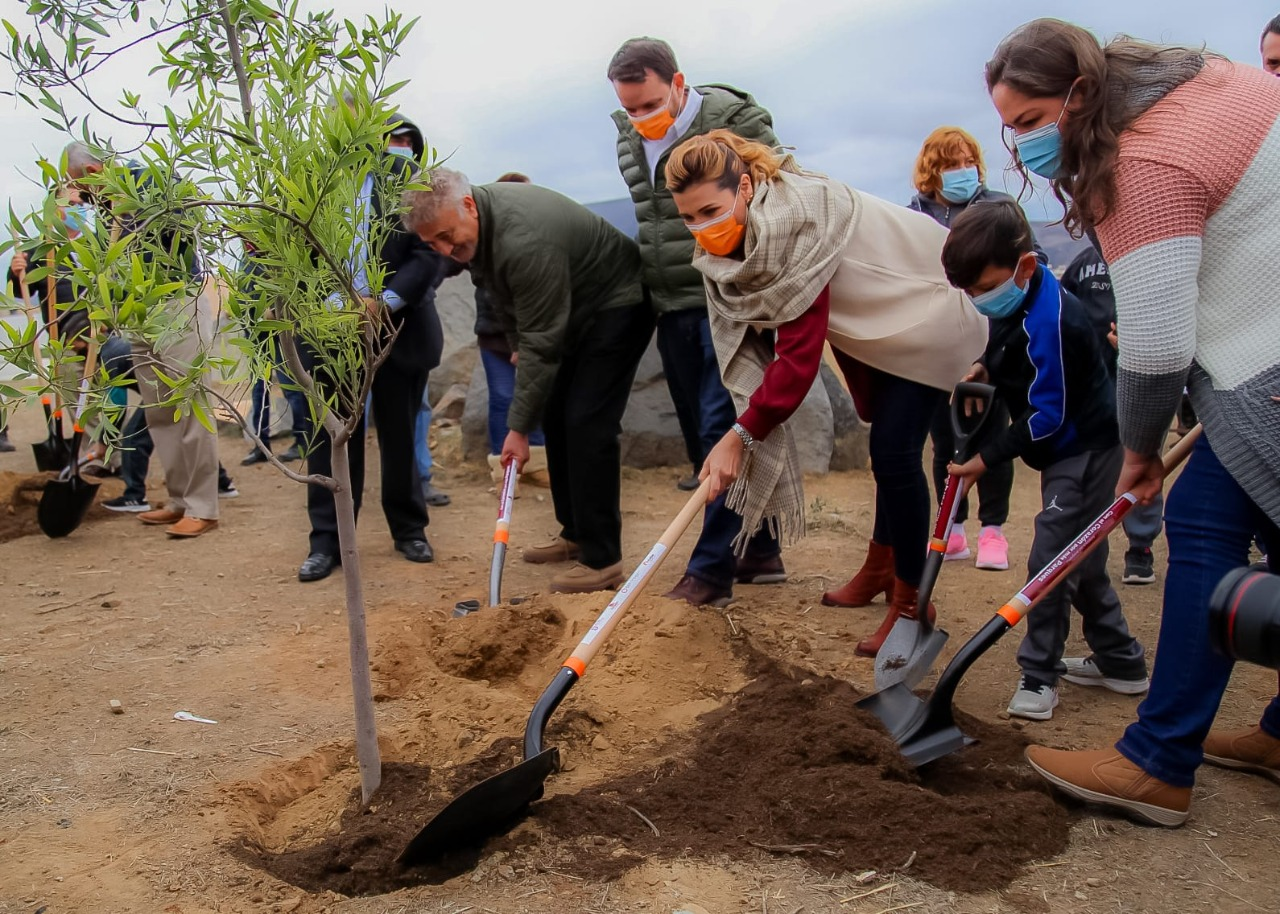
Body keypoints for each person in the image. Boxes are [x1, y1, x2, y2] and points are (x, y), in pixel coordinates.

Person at [985, 19, 1280, 826]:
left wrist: (1140, 449)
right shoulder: (1205, 84)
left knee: (1204, 525)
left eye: (1030, 121)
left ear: (1079, 95)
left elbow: (1153, 350)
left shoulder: (1138, 159)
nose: (1021, 146)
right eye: (1009, 126)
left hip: (1268, 365)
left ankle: (1157, 763)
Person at [664, 130, 986, 655]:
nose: (702, 228)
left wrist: (740, 435)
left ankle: (911, 601)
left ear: (744, 187)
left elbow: (797, 359)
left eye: (710, 210)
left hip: (930, 313)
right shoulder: (747, 240)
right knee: (888, 449)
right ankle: (881, 566)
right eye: (689, 218)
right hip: (881, 325)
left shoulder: (795, 225)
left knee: (895, 454)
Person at [943, 200, 1148, 721]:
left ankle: (1039, 675)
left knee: (1051, 564)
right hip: (1071, 444)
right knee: (1082, 559)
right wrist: (985, 365)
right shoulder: (1019, 298)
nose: (980, 301)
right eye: (970, 294)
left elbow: (1047, 418)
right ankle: (1121, 663)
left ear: (1026, 266)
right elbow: (1006, 338)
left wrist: (987, 458)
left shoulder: (1054, 321)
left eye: (985, 289)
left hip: (1084, 449)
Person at [403, 168, 653, 594]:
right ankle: (575, 532)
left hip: (616, 304)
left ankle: (602, 559)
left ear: (467, 206)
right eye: (433, 244)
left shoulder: (523, 238)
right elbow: (501, 292)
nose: (445, 250)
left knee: (587, 423)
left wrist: (517, 431)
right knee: (556, 417)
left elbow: (543, 341)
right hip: (574, 309)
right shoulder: (480, 225)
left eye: (447, 236)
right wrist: (516, 342)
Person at [608, 36, 787, 607]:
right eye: (630, 108)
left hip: (729, 298)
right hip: (672, 301)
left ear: (679, 85)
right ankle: (758, 548)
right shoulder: (629, 139)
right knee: (698, 435)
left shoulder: (737, 121)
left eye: (650, 104)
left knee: (720, 427)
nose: (641, 118)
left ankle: (710, 574)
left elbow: (778, 197)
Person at [296, 116, 449, 582]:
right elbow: (297, 249)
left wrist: (382, 303)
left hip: (397, 327)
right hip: (332, 328)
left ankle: (409, 529)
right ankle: (329, 540)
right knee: (332, 440)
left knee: (401, 434)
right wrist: (336, 305)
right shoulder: (314, 180)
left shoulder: (407, 179)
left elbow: (428, 252)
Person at [66, 142, 221, 538]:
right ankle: (179, 501)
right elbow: (111, 264)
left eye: (84, 186)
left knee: (189, 405)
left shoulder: (148, 179)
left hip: (176, 304)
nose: (86, 196)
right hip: (139, 314)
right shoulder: (103, 208)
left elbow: (188, 221)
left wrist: (134, 209)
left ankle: (204, 507)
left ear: (95, 168)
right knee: (160, 413)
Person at [907, 126, 1040, 571]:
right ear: (931, 171)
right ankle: (953, 527)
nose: (962, 171)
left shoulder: (1000, 208)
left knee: (994, 435)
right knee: (944, 440)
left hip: (994, 338)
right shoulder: (914, 218)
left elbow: (1030, 262)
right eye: (950, 164)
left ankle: (994, 531)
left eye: (967, 162)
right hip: (940, 344)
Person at [1060, 242, 1163, 585]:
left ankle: (1140, 548)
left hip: (1137, 376)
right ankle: (1087, 550)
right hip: (1093, 382)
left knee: (1143, 455)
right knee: (1094, 467)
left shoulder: (1149, 255)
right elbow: (1065, 306)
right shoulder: (1085, 262)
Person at [388, 114, 454, 508]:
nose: (400, 147)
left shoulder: (424, 192)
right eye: (392, 139)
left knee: (418, 407)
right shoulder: (362, 191)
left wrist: (403, 294)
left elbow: (435, 253)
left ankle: (420, 477)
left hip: (409, 324)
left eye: (407, 141)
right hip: (355, 323)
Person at [472, 172, 547, 478]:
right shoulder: (484, 241)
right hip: (495, 338)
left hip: (533, 338)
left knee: (536, 397)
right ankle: (502, 466)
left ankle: (539, 466)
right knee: (502, 398)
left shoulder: (542, 237)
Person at [239, 243, 310, 466]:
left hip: (279, 329)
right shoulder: (246, 258)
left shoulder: (274, 249)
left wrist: (275, 312)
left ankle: (302, 441)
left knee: (291, 386)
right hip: (254, 332)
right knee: (259, 389)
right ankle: (261, 445)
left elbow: (291, 287)